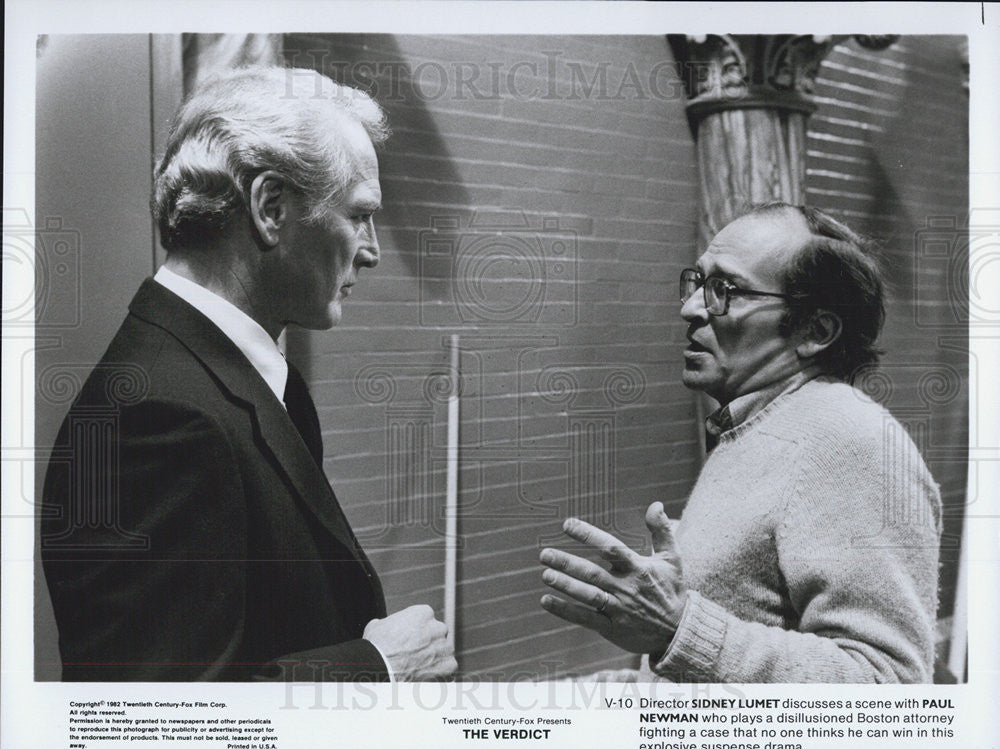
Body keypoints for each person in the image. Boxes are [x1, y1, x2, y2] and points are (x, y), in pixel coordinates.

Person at [41, 67, 457, 682]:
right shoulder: (157, 419)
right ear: (269, 207)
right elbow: (153, 732)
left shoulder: (231, 378)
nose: (371, 250)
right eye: (359, 215)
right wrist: (377, 669)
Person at [539, 203, 942, 683]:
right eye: (698, 282)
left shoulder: (848, 443)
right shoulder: (758, 425)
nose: (689, 308)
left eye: (724, 290)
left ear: (816, 331)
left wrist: (677, 630)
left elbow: (890, 687)